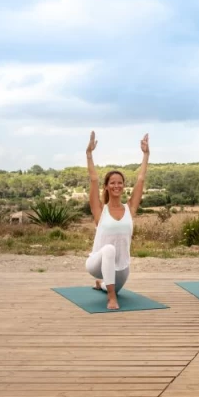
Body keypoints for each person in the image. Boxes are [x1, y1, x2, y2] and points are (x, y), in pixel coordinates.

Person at [85, 131, 150, 310]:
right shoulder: (100, 210)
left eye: (120, 182)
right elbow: (93, 179)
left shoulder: (130, 209)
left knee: (111, 283)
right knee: (109, 250)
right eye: (112, 183)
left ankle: (103, 285)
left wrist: (146, 155)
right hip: (96, 263)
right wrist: (89, 154)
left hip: (121, 268)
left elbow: (141, 179)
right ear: (106, 186)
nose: (116, 186)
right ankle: (111, 298)